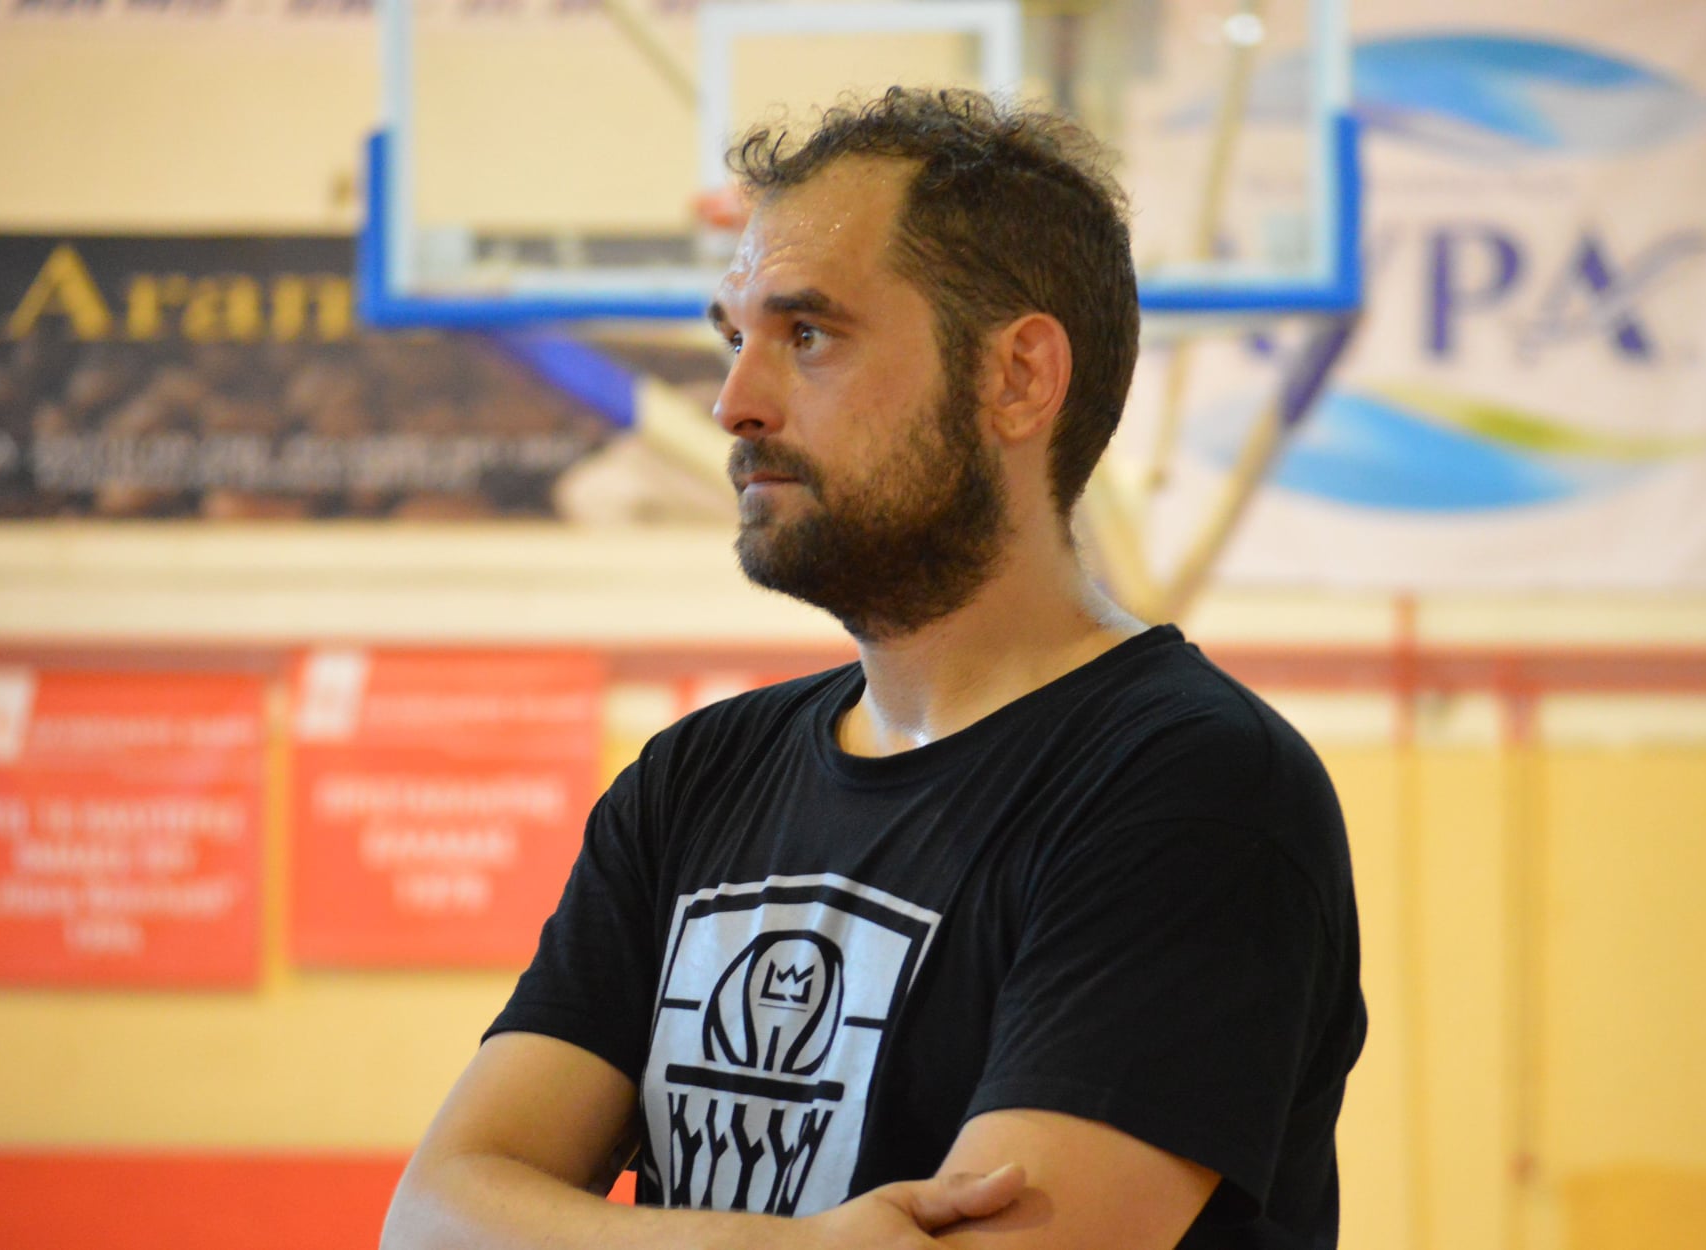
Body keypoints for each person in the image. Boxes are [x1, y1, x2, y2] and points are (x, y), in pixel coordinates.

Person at [382, 87, 1364, 1250]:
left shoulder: (1191, 788)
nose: (734, 402)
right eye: (733, 338)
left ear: (1016, 377)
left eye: (806, 335)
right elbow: (434, 1217)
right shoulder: (693, 777)